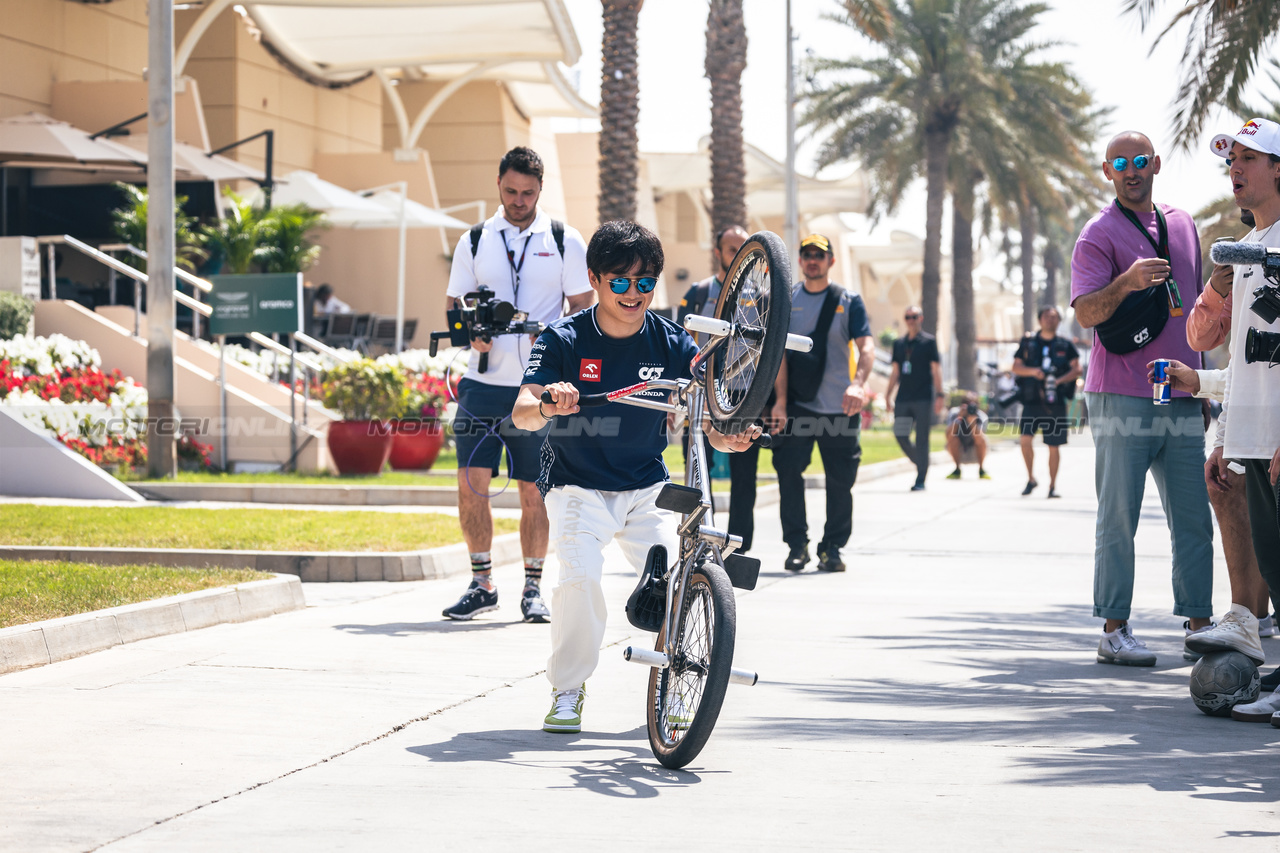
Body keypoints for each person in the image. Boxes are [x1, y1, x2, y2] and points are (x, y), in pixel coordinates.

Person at [512, 220, 760, 733]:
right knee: (579, 580)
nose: (632, 294)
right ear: (595, 279)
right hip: (577, 484)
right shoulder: (563, 338)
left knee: (681, 580)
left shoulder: (671, 341)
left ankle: (673, 685)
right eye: (619, 282)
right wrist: (549, 403)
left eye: (644, 283)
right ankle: (568, 690)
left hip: (647, 485)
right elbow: (520, 411)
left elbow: (707, 418)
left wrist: (727, 436)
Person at [1070, 129, 1215, 667]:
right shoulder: (1097, 235)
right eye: (1119, 163)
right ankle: (1114, 629)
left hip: (1180, 395)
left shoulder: (1183, 224)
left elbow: (1196, 313)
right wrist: (1127, 283)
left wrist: (1199, 381)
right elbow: (1085, 312)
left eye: (1139, 161)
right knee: (1118, 516)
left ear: (1155, 164)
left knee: (1194, 517)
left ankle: (1200, 624)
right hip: (1120, 396)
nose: (1131, 170)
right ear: (1107, 173)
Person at [442, 146, 595, 623]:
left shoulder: (564, 238)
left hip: (537, 388)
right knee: (472, 485)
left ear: (540, 189)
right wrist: (472, 335)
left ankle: (532, 588)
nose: (519, 200)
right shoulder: (474, 239)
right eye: (511, 191)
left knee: (534, 491)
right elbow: (453, 307)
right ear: (498, 184)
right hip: (481, 383)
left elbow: (584, 308)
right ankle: (481, 582)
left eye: (528, 193)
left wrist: (561, 356)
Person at [1193, 118, 1280, 721]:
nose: (1237, 169)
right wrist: (1226, 436)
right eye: (1232, 160)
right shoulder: (1240, 251)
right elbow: (1224, 346)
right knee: (1274, 559)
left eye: (1251, 158)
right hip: (1250, 430)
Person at [1147, 360, 1274, 666]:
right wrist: (1221, 442)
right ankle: (1248, 617)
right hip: (1259, 424)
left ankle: (1251, 617)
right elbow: (1248, 371)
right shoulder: (1246, 315)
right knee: (1228, 488)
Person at [768, 234, 875, 573]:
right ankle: (797, 546)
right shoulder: (788, 299)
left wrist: (859, 385)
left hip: (840, 408)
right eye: (807, 254)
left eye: (820, 254)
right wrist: (780, 402)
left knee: (841, 481)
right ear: (799, 261)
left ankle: (832, 548)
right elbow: (779, 354)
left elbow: (867, 346)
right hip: (799, 406)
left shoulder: (848, 300)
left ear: (831, 261)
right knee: (788, 474)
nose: (812, 259)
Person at [675, 225, 760, 551]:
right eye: (730, 248)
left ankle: (739, 546)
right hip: (701, 392)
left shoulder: (760, 296)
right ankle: (692, 539)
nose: (736, 254)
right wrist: (680, 392)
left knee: (744, 471)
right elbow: (680, 341)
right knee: (695, 464)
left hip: (743, 392)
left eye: (743, 248)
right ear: (718, 252)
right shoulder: (698, 293)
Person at [1011, 306, 1081, 498]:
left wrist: (1058, 380)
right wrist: (1034, 372)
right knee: (1025, 440)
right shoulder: (1028, 343)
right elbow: (1016, 367)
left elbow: (1077, 369)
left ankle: (1052, 486)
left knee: (1053, 445)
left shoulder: (1065, 344)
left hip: (1055, 402)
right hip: (1031, 400)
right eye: (1046, 317)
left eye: (1054, 317)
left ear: (1058, 321)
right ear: (1039, 319)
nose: (1050, 320)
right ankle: (1031, 478)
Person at [884, 306, 943, 491]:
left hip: (923, 397)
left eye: (914, 316)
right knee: (900, 434)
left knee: (922, 438)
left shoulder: (929, 342)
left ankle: (920, 479)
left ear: (921, 318)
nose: (911, 320)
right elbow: (895, 372)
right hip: (903, 397)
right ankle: (921, 463)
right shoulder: (899, 344)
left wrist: (940, 395)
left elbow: (936, 370)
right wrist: (887, 395)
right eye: (908, 317)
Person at [943, 392, 990, 480]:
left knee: (983, 439)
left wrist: (972, 423)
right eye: (966, 403)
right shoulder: (954, 413)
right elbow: (948, 436)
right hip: (959, 449)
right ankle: (957, 469)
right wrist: (959, 418)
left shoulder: (981, 416)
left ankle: (981, 469)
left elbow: (980, 440)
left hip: (974, 451)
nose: (969, 407)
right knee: (953, 439)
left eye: (972, 404)